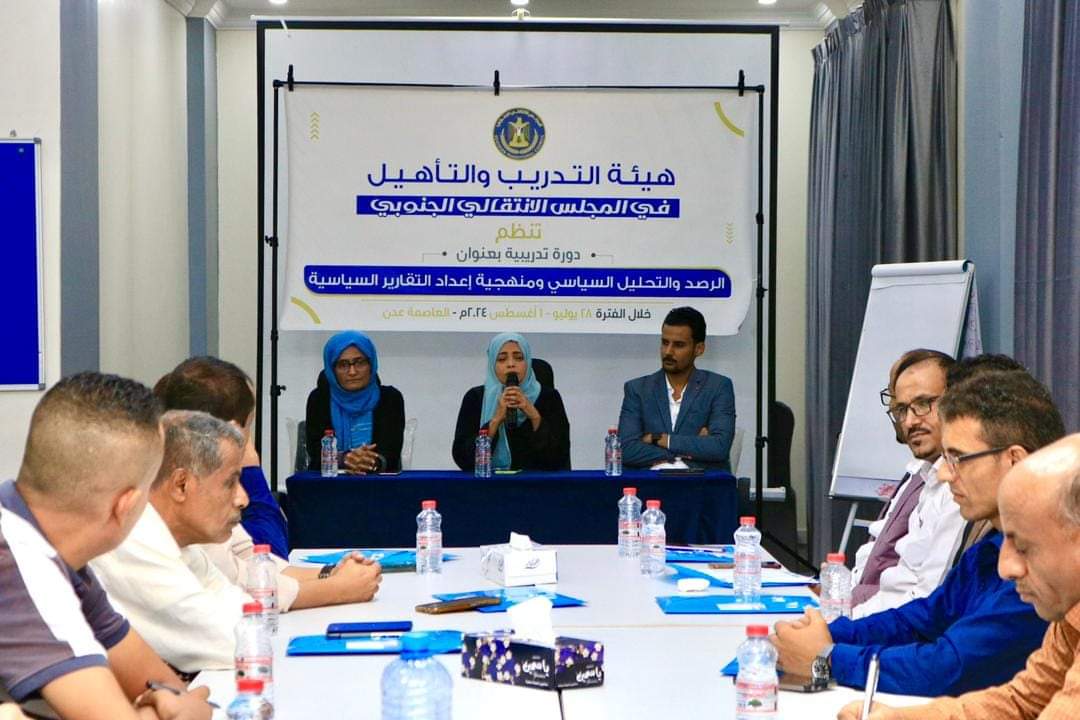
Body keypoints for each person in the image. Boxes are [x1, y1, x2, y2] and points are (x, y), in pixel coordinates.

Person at [772, 369, 1065, 697]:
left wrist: (825, 658)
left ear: (1013, 460)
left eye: (957, 459)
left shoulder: (1050, 564)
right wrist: (826, 634)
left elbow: (949, 668)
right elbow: (923, 619)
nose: (944, 474)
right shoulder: (989, 550)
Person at [90, 411, 382, 673]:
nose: (243, 498)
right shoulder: (134, 541)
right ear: (181, 484)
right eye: (230, 482)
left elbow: (248, 611)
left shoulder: (180, 540)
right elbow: (234, 642)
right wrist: (333, 586)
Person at [0, 372, 211, 720]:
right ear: (126, 505)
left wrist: (166, 707)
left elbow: (163, 687)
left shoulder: (59, 555)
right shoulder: (20, 562)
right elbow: (176, 707)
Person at [838, 434, 1080, 720]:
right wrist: (903, 718)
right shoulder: (1068, 615)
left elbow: (948, 667)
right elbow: (1021, 702)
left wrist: (828, 657)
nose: (1006, 567)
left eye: (1024, 546)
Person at [155, 357, 382, 615]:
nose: (242, 499)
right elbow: (242, 592)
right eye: (248, 425)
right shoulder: (183, 511)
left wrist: (331, 573)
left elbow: (252, 561)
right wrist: (338, 588)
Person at [848, 349, 966, 618]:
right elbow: (875, 562)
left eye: (923, 404)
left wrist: (844, 623)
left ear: (957, 402)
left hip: (890, 628)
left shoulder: (960, 488)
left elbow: (926, 599)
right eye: (901, 410)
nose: (910, 421)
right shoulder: (922, 474)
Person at [154, 357, 287, 557]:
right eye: (248, 424)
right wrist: (251, 469)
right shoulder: (201, 495)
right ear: (230, 428)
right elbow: (269, 554)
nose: (241, 499)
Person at [617, 306, 735, 470]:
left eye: (679, 345)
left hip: (700, 482)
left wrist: (659, 439)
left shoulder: (718, 387)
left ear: (699, 349)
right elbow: (626, 449)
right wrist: (688, 450)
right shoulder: (638, 389)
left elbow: (719, 447)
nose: (668, 352)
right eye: (665, 343)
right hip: (649, 482)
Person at [452, 332, 571, 471]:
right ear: (492, 364)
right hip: (490, 481)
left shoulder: (549, 398)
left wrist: (533, 415)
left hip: (538, 482)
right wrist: (495, 421)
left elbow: (560, 457)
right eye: (502, 359)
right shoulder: (475, 398)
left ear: (527, 362)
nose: (511, 364)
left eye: (518, 358)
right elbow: (462, 459)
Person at [305, 331, 405, 474]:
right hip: (330, 483)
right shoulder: (319, 400)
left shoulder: (390, 399)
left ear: (371, 364)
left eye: (360, 362)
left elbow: (390, 454)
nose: (352, 372)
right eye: (343, 364)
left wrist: (370, 463)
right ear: (332, 370)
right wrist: (344, 460)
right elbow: (316, 454)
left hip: (378, 483)